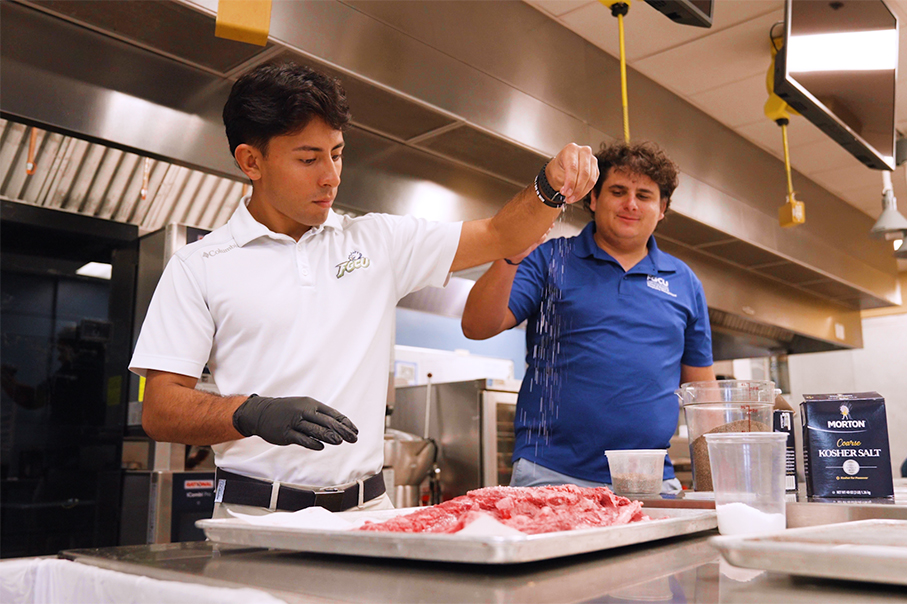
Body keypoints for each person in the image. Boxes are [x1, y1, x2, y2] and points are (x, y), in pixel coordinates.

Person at [129, 62, 597, 518]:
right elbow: (161, 408)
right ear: (252, 161)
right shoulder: (200, 265)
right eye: (308, 158)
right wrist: (249, 413)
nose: (331, 175)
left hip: (367, 514)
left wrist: (550, 185)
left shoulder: (378, 242)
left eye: (336, 153)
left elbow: (502, 235)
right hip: (257, 517)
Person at [461, 141, 714, 494]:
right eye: (618, 191)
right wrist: (509, 256)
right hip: (550, 475)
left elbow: (704, 393)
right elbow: (476, 326)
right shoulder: (551, 258)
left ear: (662, 209)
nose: (630, 203)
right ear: (593, 199)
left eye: (644, 195)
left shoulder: (684, 280)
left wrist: (716, 479)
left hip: (652, 478)